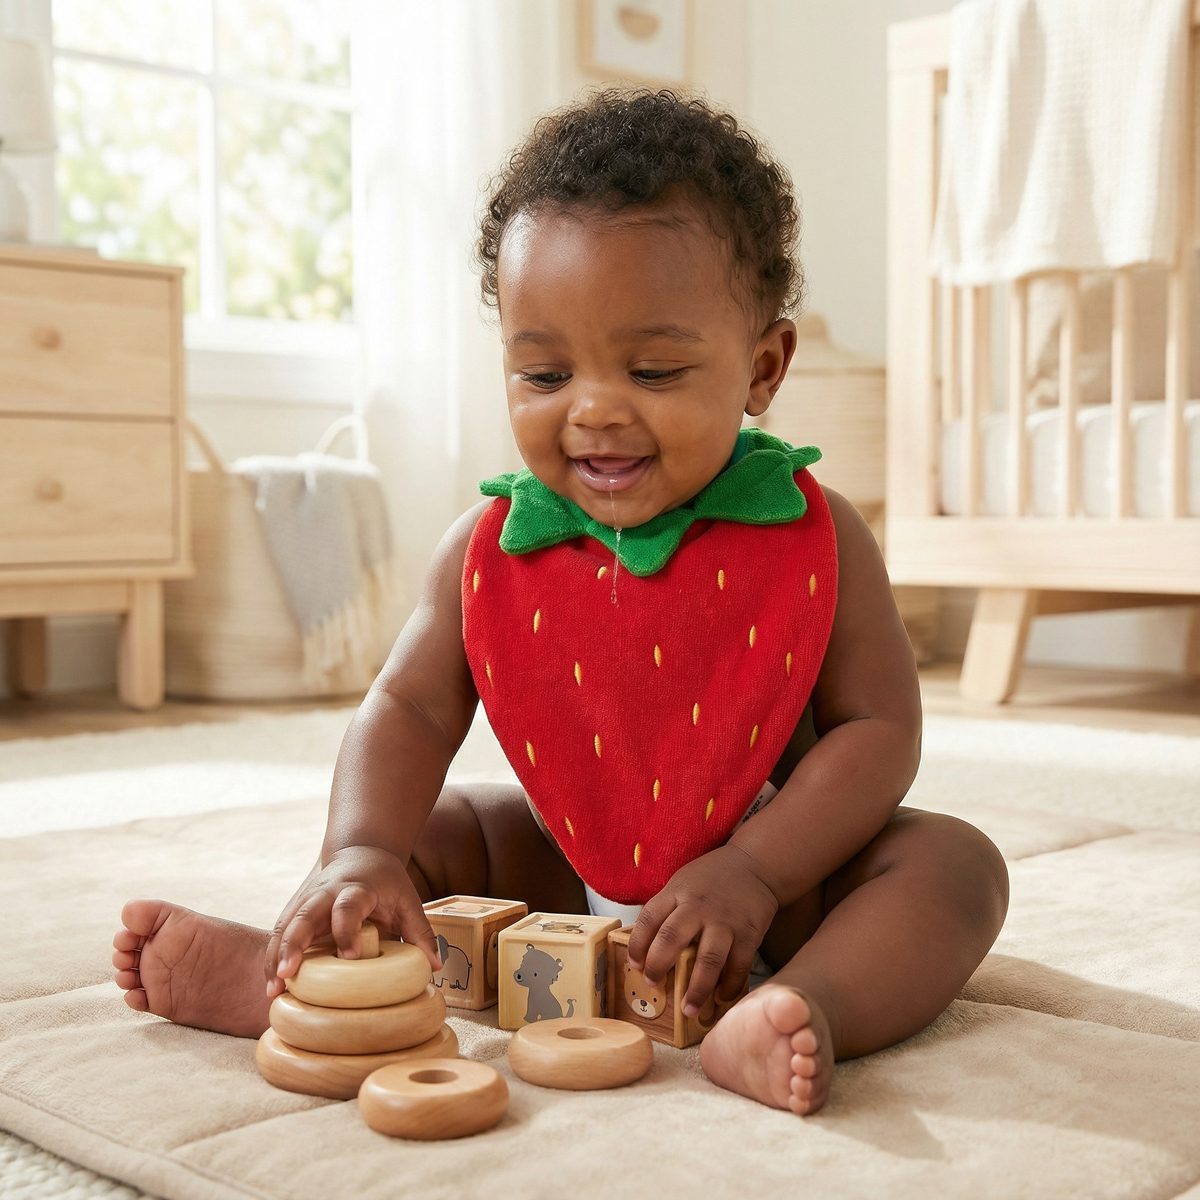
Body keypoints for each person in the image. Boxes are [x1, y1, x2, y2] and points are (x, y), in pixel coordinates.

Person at [113, 89, 1008, 1116]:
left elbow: (879, 729)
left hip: (783, 893)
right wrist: (358, 849)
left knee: (953, 866)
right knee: (427, 832)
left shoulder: (819, 538)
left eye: (655, 368)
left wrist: (756, 870)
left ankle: (806, 1006)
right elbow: (404, 709)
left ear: (763, 369)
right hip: (566, 867)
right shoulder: (486, 551)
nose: (592, 408)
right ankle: (311, 975)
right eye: (543, 372)